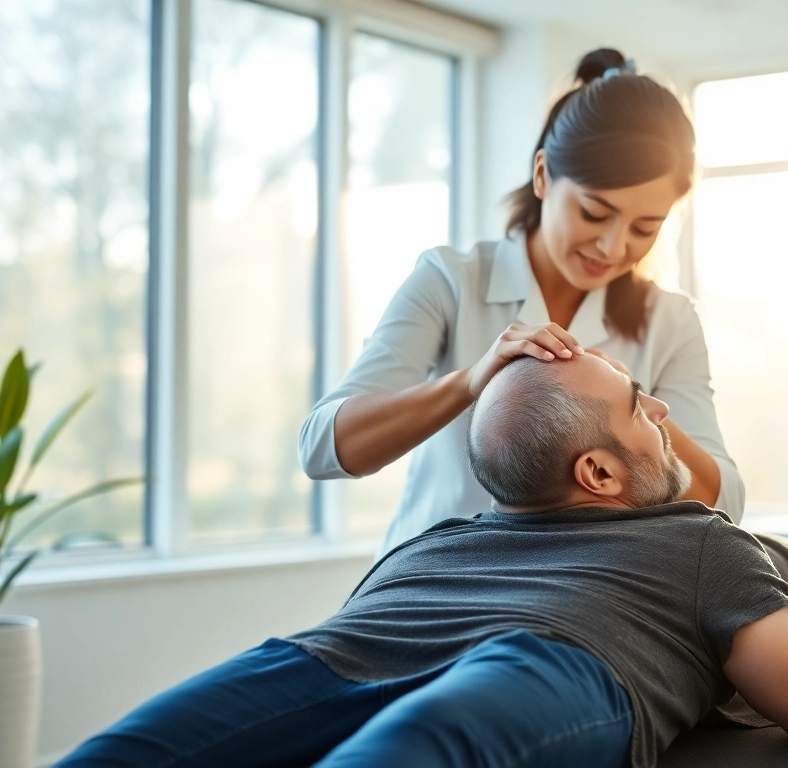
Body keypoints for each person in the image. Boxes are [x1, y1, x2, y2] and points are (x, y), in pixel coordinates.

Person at [56, 352, 788, 768]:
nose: (662, 418)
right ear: (598, 472)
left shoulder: (690, 544)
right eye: (645, 411)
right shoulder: (693, 537)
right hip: (467, 652)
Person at [298, 48, 744, 554]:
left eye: (645, 228)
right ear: (542, 177)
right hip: (432, 581)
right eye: (595, 213)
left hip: (583, 592)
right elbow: (322, 448)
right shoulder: (451, 282)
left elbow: (723, 502)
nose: (614, 247)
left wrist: (630, 400)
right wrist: (469, 382)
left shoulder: (670, 320)